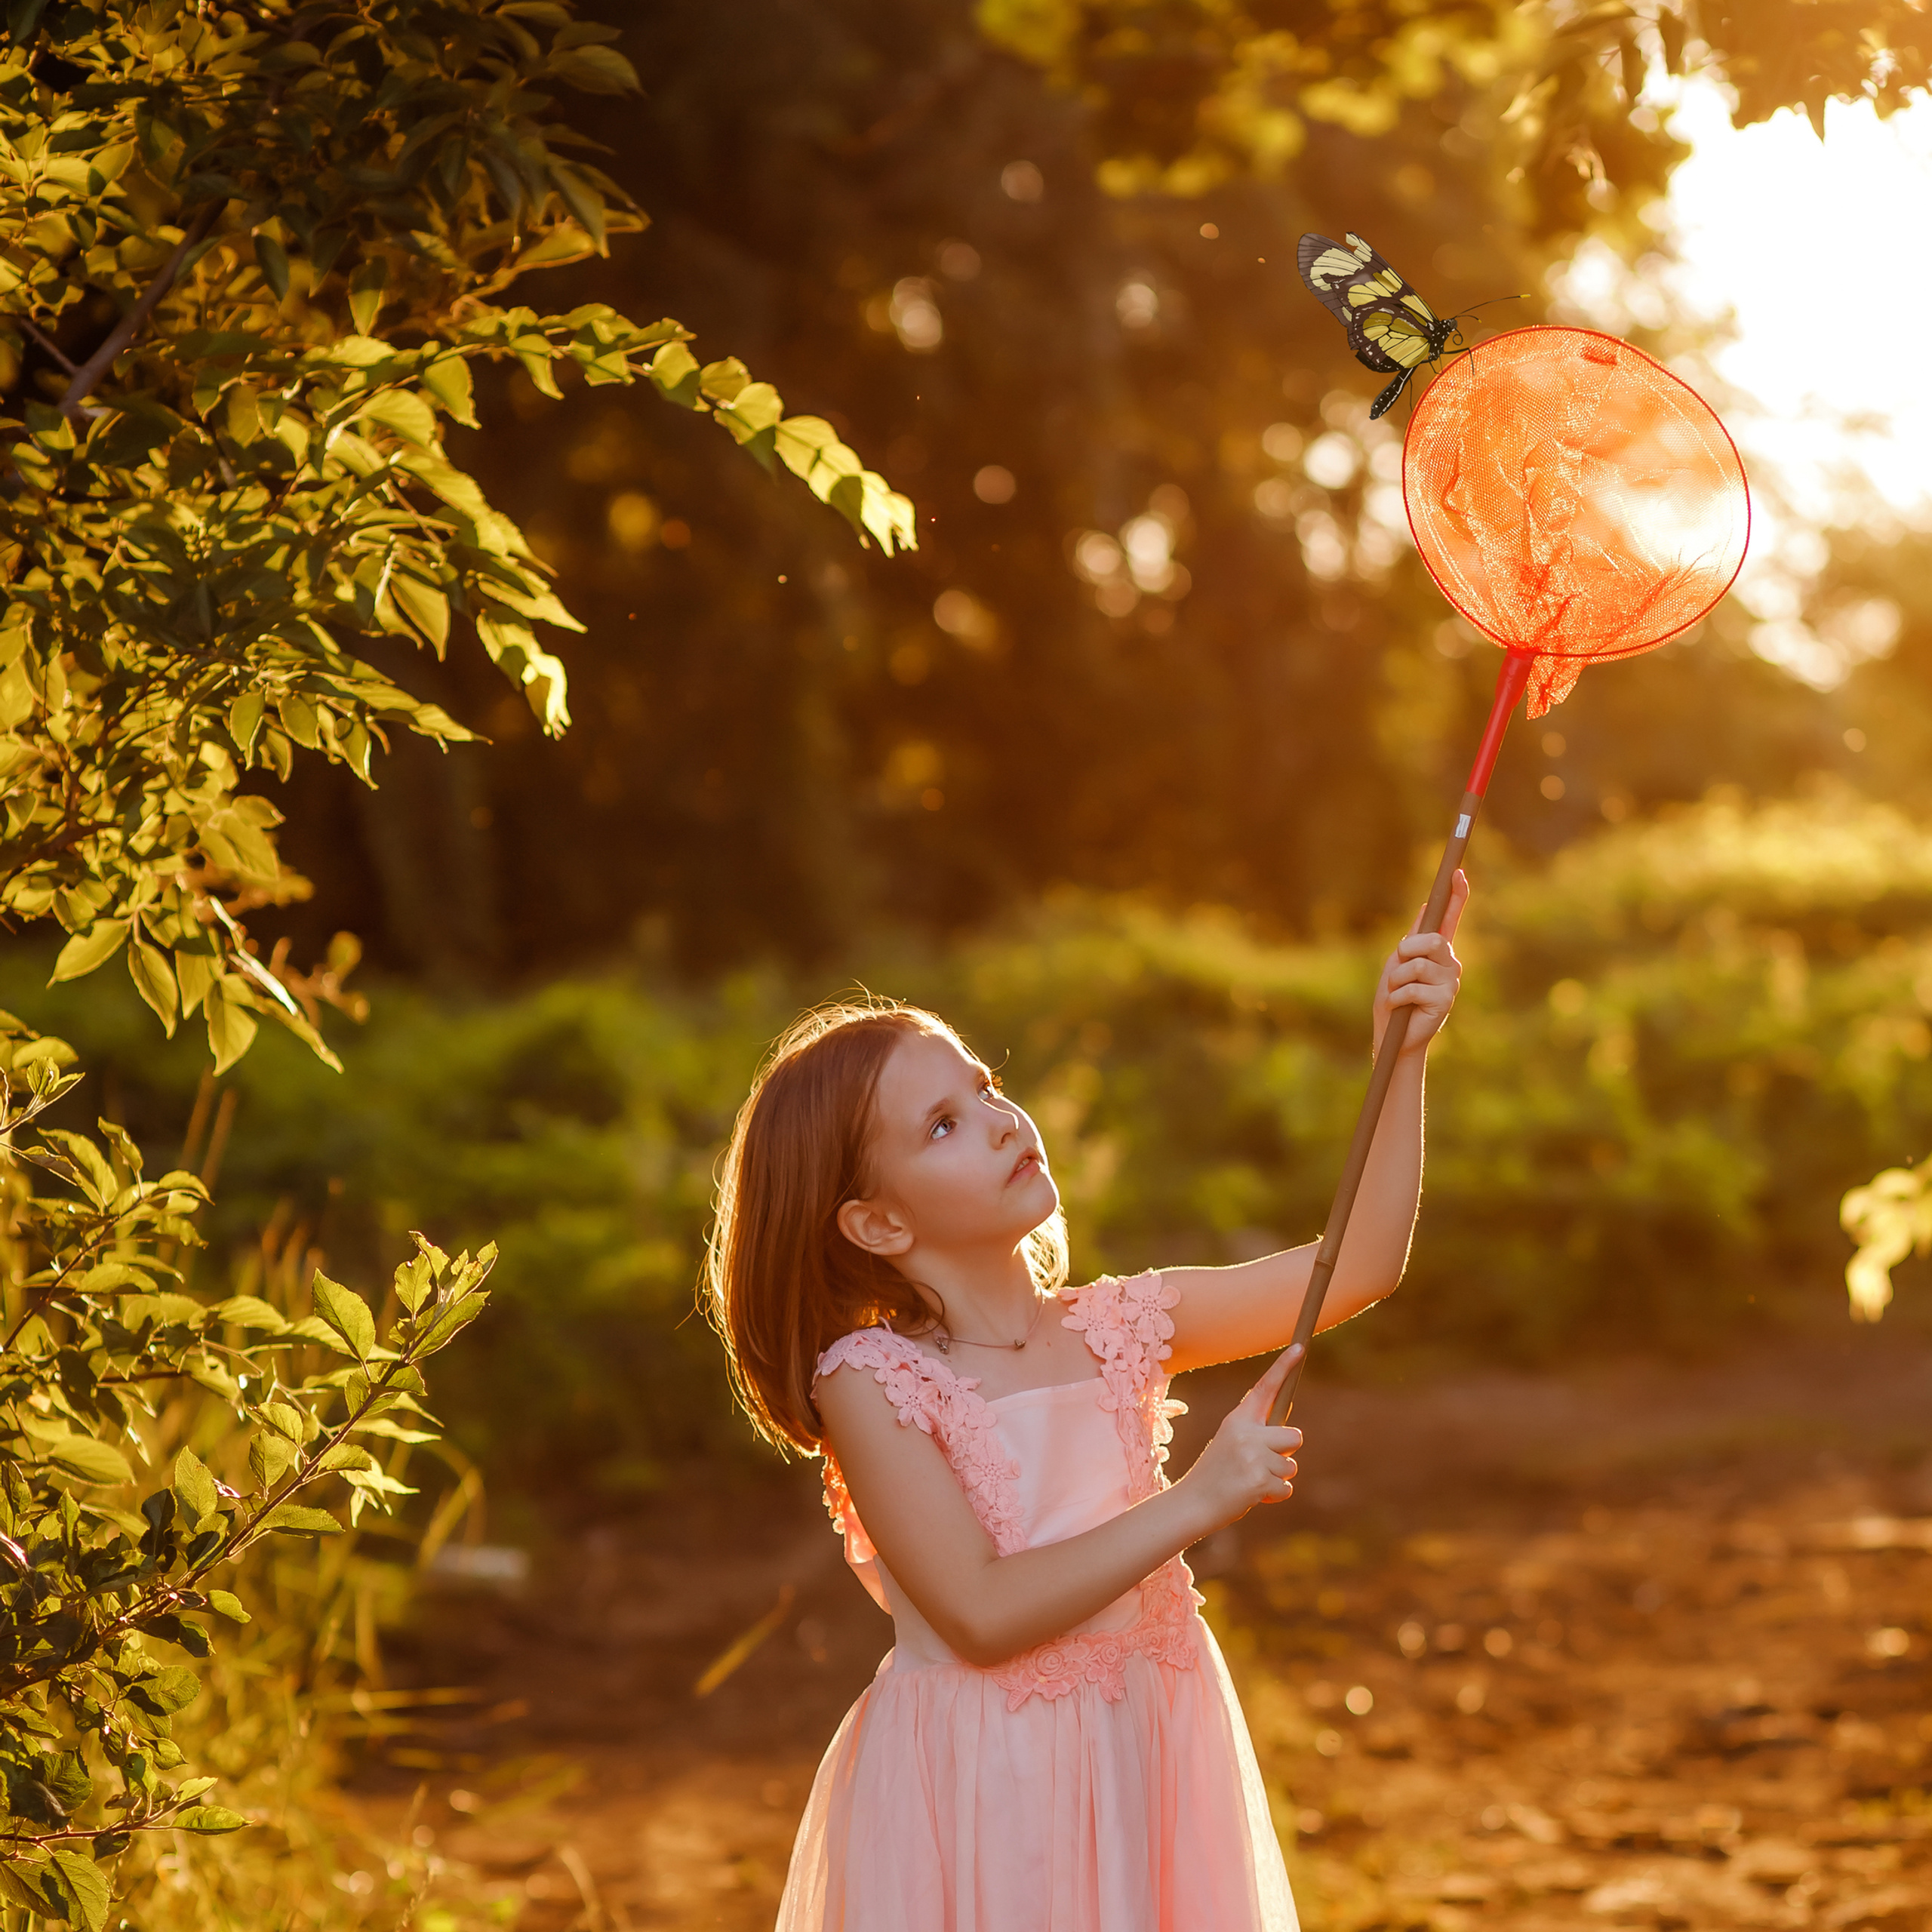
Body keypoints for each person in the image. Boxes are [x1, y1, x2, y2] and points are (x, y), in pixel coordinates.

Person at [703, 876, 1468, 1932]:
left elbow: (1358, 1265)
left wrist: (1406, 1053)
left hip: (1148, 1740)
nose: (1000, 1120)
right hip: (992, 1788)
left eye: (984, 1088)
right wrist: (1196, 1504)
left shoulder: (1118, 1325)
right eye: (942, 1126)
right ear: (876, 1224)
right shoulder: (872, 1384)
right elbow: (980, 1614)